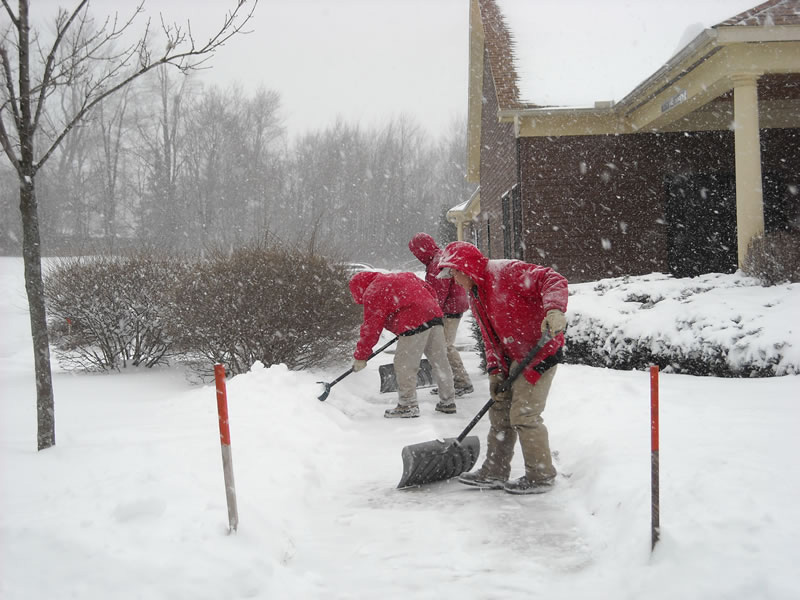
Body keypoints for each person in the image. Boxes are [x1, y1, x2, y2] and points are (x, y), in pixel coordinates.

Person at [437, 241, 568, 494]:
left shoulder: (506, 272)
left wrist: (554, 310)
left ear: (464, 268)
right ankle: (494, 471)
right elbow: (490, 338)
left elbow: (552, 278)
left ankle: (541, 475)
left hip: (539, 351)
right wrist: (496, 371)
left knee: (524, 415)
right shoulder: (475, 293)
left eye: (453, 272)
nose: (452, 278)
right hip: (511, 356)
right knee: (500, 413)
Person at [349, 271, 456, 418]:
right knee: (440, 362)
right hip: (433, 315)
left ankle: (407, 405)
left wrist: (361, 356)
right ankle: (448, 401)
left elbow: (371, 327)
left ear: (359, 289)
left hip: (412, 320)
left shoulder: (373, 291)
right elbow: (430, 290)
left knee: (404, 364)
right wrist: (426, 311)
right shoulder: (402, 276)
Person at [408, 233, 474, 397]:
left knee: (444, 347)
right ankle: (450, 382)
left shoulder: (436, 263)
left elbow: (438, 293)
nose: (417, 257)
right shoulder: (439, 257)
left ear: (423, 249)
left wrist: (432, 315)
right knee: (443, 347)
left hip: (449, 310)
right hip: (452, 307)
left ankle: (460, 382)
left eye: (416, 252)